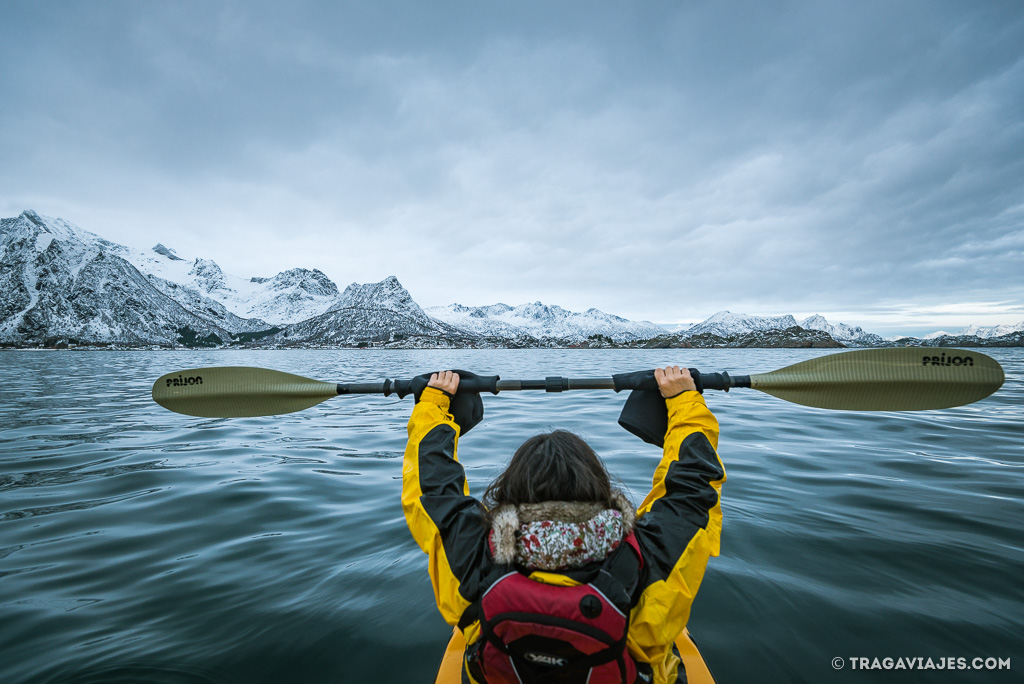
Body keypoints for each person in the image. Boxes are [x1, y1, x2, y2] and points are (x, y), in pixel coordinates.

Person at [402, 366, 726, 684]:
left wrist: (434, 402)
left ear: (511, 489)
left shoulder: (469, 550)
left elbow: (432, 485)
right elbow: (693, 486)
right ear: (598, 486)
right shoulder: (654, 554)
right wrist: (684, 400)